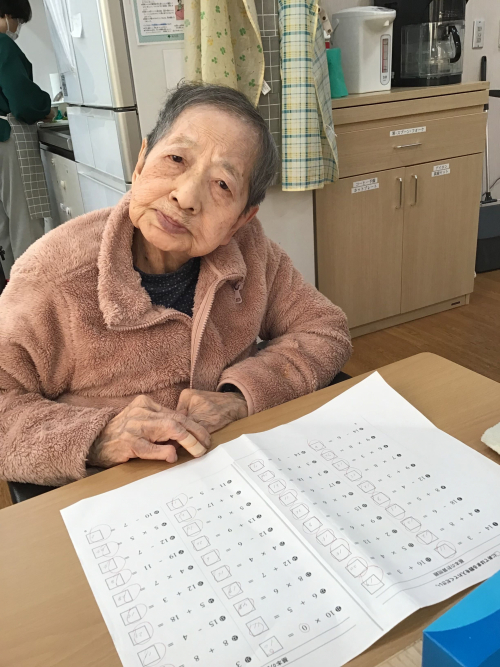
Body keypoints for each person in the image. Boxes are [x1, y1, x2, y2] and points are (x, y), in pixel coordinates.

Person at [0, 83, 352, 487]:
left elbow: (325, 329)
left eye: (222, 185)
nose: (186, 197)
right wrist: (99, 436)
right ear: (140, 163)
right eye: (176, 159)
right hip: (116, 493)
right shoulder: (52, 276)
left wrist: (241, 396)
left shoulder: (251, 251)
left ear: (240, 220)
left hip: (236, 474)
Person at [0, 0, 55, 278]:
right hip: (9, 140)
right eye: (19, 21)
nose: (17, 27)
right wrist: (46, 107)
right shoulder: (2, 45)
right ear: (7, 14)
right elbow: (22, 101)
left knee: (3, 226)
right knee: (25, 220)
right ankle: (33, 293)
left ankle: (14, 293)